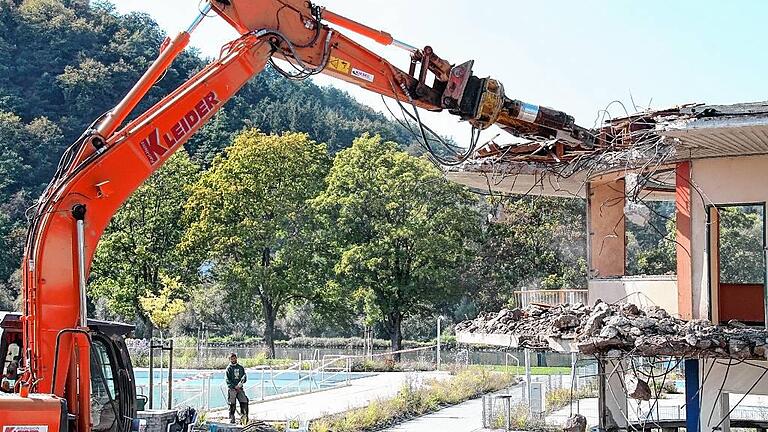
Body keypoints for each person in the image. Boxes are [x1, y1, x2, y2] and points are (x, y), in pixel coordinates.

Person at [225, 352, 248, 424]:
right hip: (232, 389)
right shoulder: (228, 369)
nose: (233, 360)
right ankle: (232, 418)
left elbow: (244, 377)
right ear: (229, 359)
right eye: (232, 359)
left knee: (244, 401)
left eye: (234, 358)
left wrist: (240, 385)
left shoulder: (240, 368)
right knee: (232, 404)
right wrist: (234, 386)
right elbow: (227, 380)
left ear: (236, 358)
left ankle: (244, 418)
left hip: (240, 388)